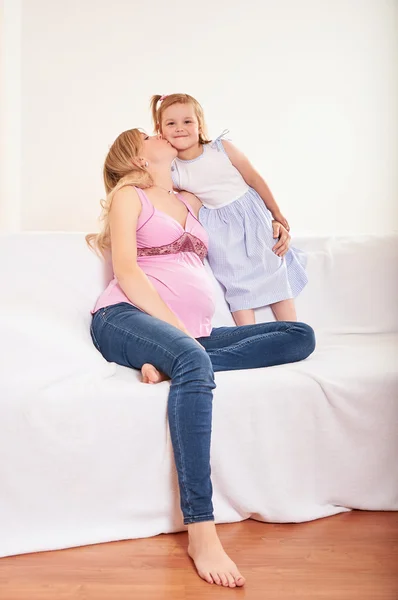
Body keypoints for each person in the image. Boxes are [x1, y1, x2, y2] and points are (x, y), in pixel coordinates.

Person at [86, 128, 316, 588]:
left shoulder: (190, 200)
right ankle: (202, 528)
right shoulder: (131, 196)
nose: (161, 133)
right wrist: (177, 336)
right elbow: (128, 271)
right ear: (137, 155)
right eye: (150, 133)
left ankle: (172, 361)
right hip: (123, 317)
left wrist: (276, 220)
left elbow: (239, 189)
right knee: (193, 359)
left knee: (299, 335)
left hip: (190, 336)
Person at [150, 93, 308, 326]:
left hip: (249, 214)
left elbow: (254, 178)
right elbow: (158, 190)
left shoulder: (220, 149)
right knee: (235, 281)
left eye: (187, 121)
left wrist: (276, 214)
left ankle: (294, 329)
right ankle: (248, 337)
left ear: (200, 124)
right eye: (171, 123)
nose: (180, 128)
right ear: (160, 130)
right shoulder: (174, 170)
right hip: (218, 227)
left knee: (273, 267)